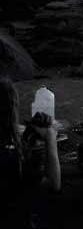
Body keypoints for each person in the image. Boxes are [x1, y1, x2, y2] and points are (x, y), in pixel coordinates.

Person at [0, 76, 61, 227]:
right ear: (11, 108)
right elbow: (52, 184)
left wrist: (27, 135)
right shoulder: (10, 157)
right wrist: (50, 138)